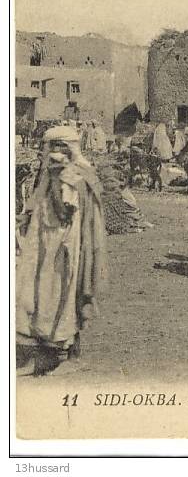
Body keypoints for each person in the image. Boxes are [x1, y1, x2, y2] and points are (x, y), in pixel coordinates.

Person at [16, 125, 107, 376]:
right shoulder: (54, 174)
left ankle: (58, 355)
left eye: (54, 149)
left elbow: (67, 218)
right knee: (42, 296)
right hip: (45, 247)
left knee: (57, 295)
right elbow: (37, 203)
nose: (49, 154)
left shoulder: (72, 177)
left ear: (65, 149)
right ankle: (52, 350)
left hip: (61, 249)